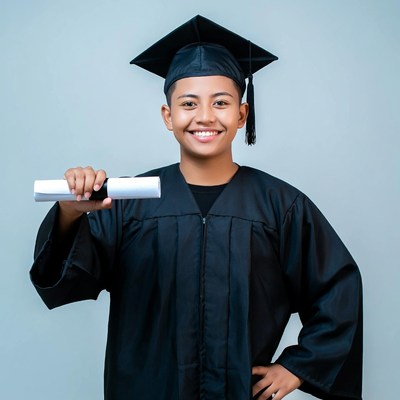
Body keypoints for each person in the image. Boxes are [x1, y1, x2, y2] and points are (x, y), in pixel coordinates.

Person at [30, 15, 363, 400]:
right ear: (168, 116)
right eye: (189, 104)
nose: (205, 116)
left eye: (221, 102)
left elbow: (337, 289)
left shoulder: (279, 206)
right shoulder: (128, 203)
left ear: (242, 114)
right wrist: (71, 213)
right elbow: (66, 281)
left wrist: (297, 367)